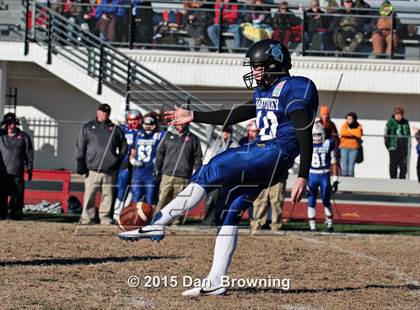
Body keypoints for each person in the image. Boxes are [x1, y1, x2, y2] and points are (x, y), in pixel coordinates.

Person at [119, 39, 319, 296]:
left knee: (214, 165)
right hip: (265, 157)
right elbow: (235, 114)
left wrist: (303, 174)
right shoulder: (263, 92)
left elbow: (304, 133)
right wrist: (194, 116)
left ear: (274, 65)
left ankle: (160, 220)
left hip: (274, 152)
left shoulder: (296, 88)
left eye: (258, 67)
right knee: (229, 209)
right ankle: (216, 279)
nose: (254, 72)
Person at [76, 103, 127, 225]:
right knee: (90, 194)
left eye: (107, 112)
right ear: (97, 112)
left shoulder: (115, 129)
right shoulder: (88, 128)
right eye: (102, 111)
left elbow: (124, 145)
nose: (104, 114)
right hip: (92, 168)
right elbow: (80, 146)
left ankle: (105, 217)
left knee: (108, 195)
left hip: (110, 169)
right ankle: (88, 218)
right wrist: (80, 161)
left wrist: (118, 160)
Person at [154, 123, 203, 220]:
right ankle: (156, 219)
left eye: (182, 123)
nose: (180, 125)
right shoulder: (167, 136)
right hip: (167, 174)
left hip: (183, 175)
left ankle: (175, 222)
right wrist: (156, 167)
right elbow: (160, 153)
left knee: (179, 202)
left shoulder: (193, 138)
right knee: (162, 199)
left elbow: (197, 157)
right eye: (178, 122)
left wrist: (198, 172)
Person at [202, 125, 238, 226]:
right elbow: (208, 131)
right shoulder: (215, 142)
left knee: (224, 201)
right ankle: (207, 222)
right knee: (211, 199)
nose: (225, 133)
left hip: (227, 178)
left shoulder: (235, 145)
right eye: (224, 131)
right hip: (214, 177)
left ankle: (220, 221)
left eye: (228, 131)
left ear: (231, 133)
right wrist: (214, 121)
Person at [0, 113, 34, 220]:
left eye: (13, 123)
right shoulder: (1, 136)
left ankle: (15, 213)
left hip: (17, 172)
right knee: (1, 195)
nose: (11, 126)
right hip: (3, 172)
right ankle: (2, 213)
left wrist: (29, 168)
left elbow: (29, 153)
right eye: (9, 123)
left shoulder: (24, 136)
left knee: (17, 195)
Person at [307, 122, 338, 233]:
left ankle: (330, 224)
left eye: (318, 135)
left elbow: (334, 162)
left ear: (323, 134)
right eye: (314, 135)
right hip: (312, 175)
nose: (316, 137)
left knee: (326, 200)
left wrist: (335, 179)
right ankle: (312, 225)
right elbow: (303, 164)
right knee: (311, 200)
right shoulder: (307, 144)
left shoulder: (329, 143)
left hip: (324, 174)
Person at [113, 109, 142, 221]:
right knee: (121, 188)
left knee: (133, 190)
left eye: (136, 120)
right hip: (124, 165)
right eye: (131, 120)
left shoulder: (142, 131)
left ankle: (124, 212)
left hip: (137, 166)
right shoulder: (122, 129)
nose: (134, 123)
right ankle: (116, 214)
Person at [129, 115, 165, 207]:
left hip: (151, 173)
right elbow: (132, 152)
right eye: (146, 124)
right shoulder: (137, 135)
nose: (148, 126)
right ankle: (135, 219)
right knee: (136, 197)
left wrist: (158, 161)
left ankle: (149, 220)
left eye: (151, 124)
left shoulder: (159, 135)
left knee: (150, 198)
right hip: (138, 173)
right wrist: (133, 160)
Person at [384, 106, 411, 179]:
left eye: (401, 114)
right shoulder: (390, 122)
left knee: (403, 167)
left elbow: (408, 134)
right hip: (393, 147)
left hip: (403, 148)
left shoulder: (406, 122)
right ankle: (393, 183)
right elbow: (386, 135)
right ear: (394, 114)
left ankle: (401, 184)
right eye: (397, 114)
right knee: (393, 166)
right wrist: (388, 146)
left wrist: (408, 146)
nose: (399, 116)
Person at [339, 112, 363, 177]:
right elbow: (342, 132)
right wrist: (353, 133)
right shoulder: (344, 125)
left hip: (354, 148)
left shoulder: (358, 126)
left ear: (354, 119)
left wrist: (348, 132)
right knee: (344, 166)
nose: (348, 120)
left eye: (350, 119)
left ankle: (351, 180)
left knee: (351, 167)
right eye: (347, 119)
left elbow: (358, 134)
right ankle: (344, 179)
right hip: (344, 147)